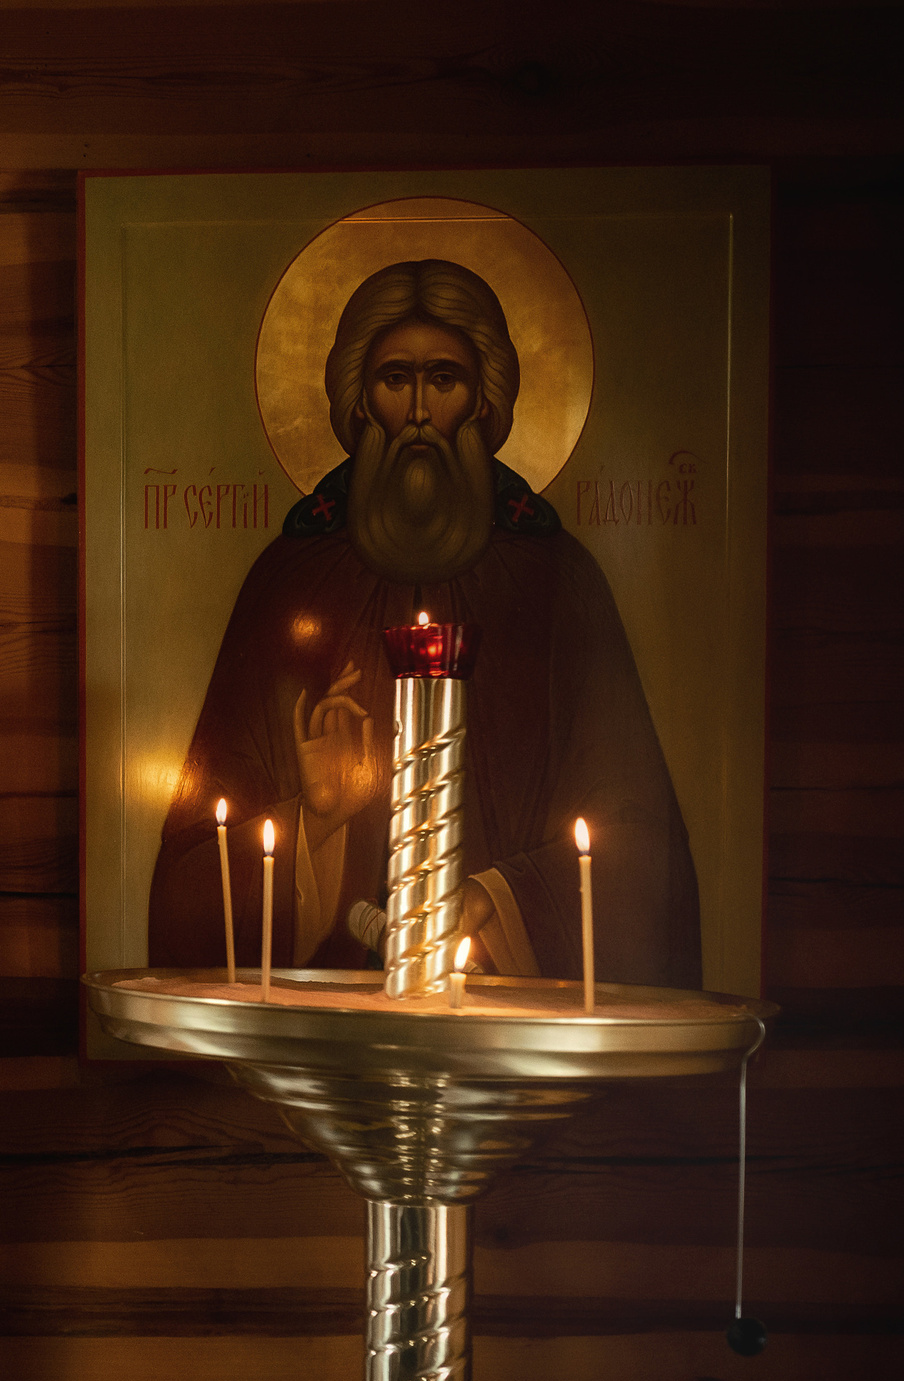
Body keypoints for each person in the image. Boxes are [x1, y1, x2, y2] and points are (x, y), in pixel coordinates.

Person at [147, 258, 701, 988]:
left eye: (443, 380)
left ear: (482, 402)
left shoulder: (557, 581)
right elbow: (193, 875)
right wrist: (316, 822)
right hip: (330, 1030)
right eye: (394, 380)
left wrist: (493, 901)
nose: (416, 412)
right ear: (359, 403)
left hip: (508, 1034)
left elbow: (640, 850)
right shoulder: (290, 579)